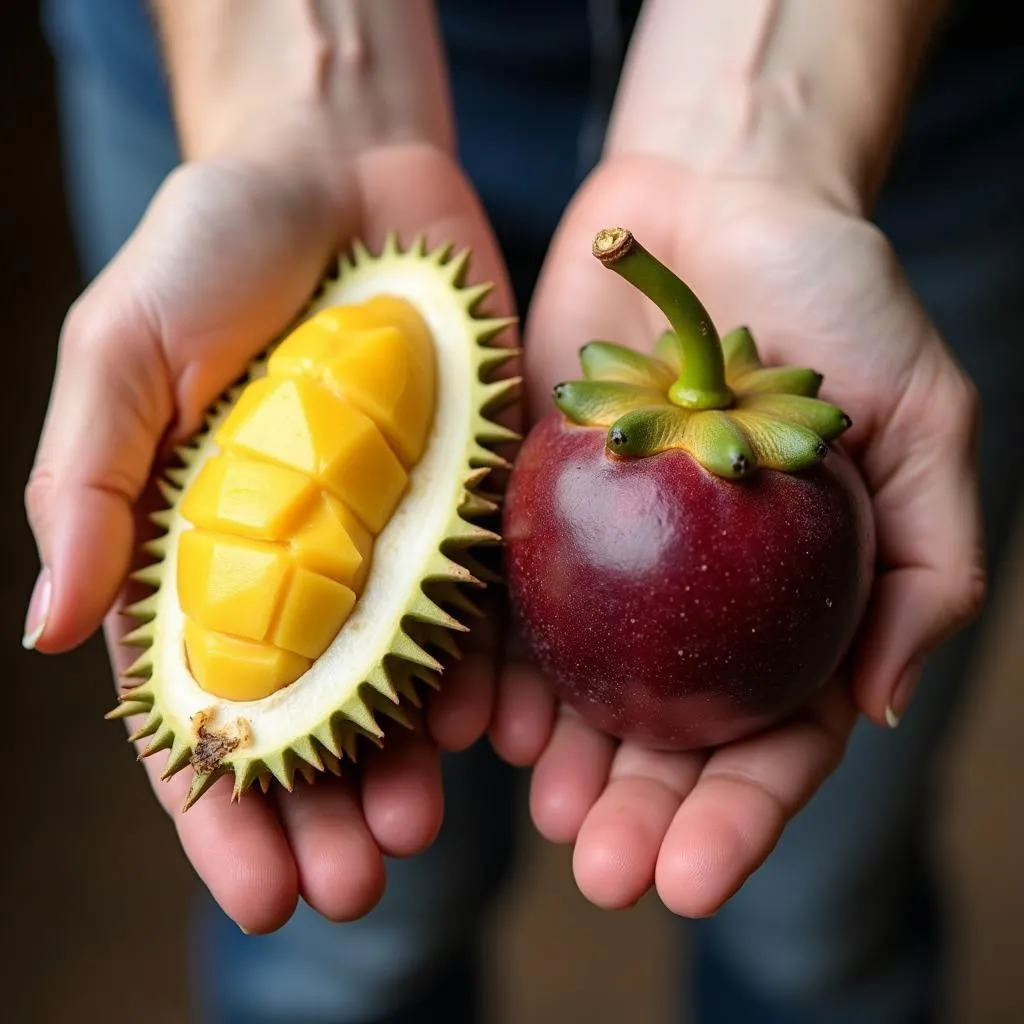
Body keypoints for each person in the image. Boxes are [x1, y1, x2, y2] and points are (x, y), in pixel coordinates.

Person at [24, 1, 1022, 1021]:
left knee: (814, 919)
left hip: (898, 117)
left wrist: (776, 94)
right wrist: (296, 72)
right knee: (347, 957)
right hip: (262, 77)